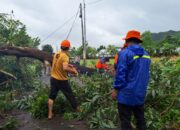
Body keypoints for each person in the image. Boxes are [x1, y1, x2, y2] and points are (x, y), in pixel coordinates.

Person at [111, 30, 151, 130]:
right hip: (140, 93)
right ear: (138, 41)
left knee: (125, 121)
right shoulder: (146, 55)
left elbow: (121, 74)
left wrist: (115, 90)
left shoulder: (125, 53)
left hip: (126, 94)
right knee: (140, 119)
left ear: (127, 41)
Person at [48, 40, 80, 119]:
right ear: (68, 48)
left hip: (53, 78)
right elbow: (65, 68)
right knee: (70, 95)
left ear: (61, 47)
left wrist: (69, 65)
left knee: (52, 97)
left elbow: (59, 63)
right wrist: (74, 71)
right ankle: (79, 111)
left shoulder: (57, 54)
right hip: (61, 80)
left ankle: (50, 114)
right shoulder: (65, 56)